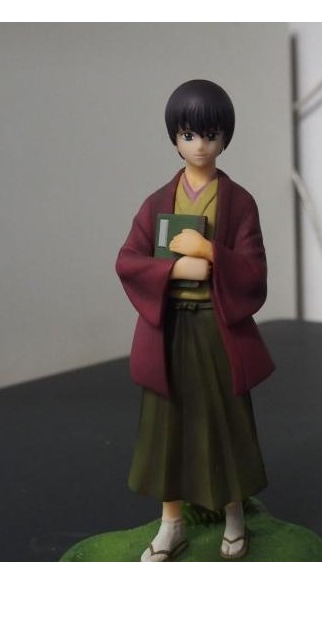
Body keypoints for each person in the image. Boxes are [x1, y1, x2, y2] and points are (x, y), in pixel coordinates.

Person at [116, 79, 274, 561]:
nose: (200, 145)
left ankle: (234, 515)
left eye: (210, 134)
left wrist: (210, 251)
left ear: (225, 138)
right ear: (174, 139)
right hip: (169, 330)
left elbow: (254, 271)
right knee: (168, 426)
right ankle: (172, 523)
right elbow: (128, 260)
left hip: (215, 327)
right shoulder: (156, 203)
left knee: (225, 423)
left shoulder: (239, 202)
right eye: (189, 135)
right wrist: (174, 270)